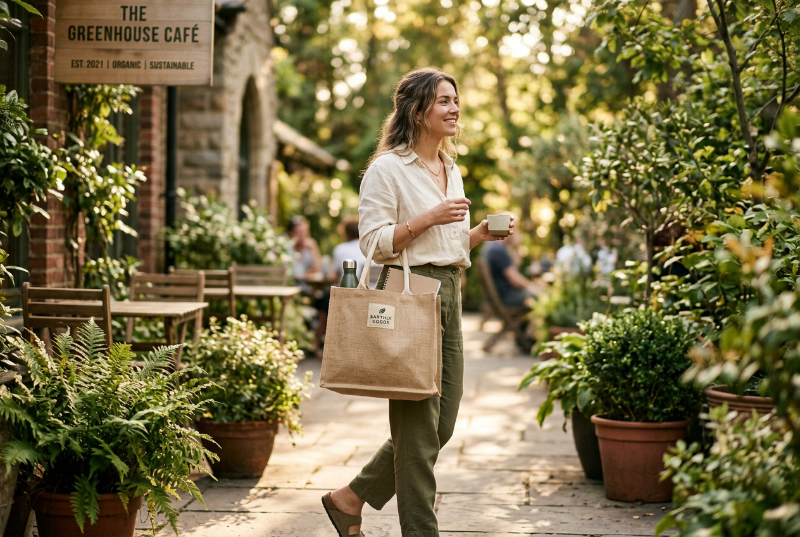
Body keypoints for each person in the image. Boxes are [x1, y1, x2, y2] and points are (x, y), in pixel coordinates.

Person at [321, 67, 513, 537]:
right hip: (409, 294)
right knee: (419, 430)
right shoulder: (387, 169)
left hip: (448, 291)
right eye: (444, 101)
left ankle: (350, 498)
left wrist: (476, 235)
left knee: (440, 425)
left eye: (455, 100)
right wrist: (428, 217)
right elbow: (373, 243)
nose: (455, 108)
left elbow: (446, 247)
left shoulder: (452, 168)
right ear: (417, 111)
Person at [482, 230, 541, 308]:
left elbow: (515, 268)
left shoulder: (493, 246)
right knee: (540, 296)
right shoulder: (498, 250)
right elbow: (514, 280)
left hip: (502, 295)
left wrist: (517, 248)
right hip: (507, 296)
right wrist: (532, 287)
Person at [287, 215, 322, 279]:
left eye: (306, 232)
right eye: (300, 233)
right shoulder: (286, 250)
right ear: (291, 234)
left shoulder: (309, 249)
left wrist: (314, 248)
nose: (304, 236)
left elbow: (318, 271)